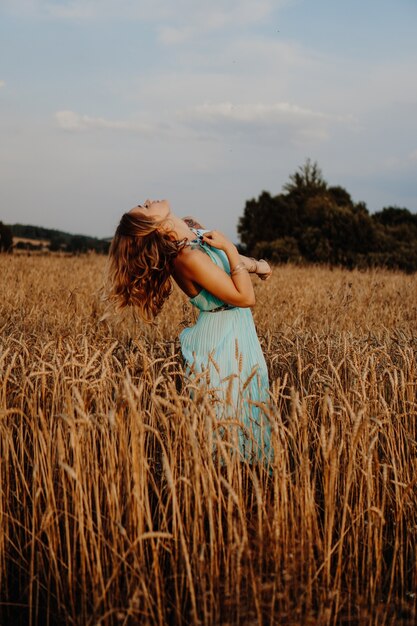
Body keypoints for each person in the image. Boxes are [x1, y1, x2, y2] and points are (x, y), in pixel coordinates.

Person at [108, 199, 273, 462]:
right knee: (229, 426)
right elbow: (244, 297)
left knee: (251, 411)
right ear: (157, 229)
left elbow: (226, 263)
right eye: (146, 208)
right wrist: (230, 247)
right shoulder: (187, 259)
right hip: (223, 340)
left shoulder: (190, 228)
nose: (149, 201)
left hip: (238, 329)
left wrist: (258, 265)